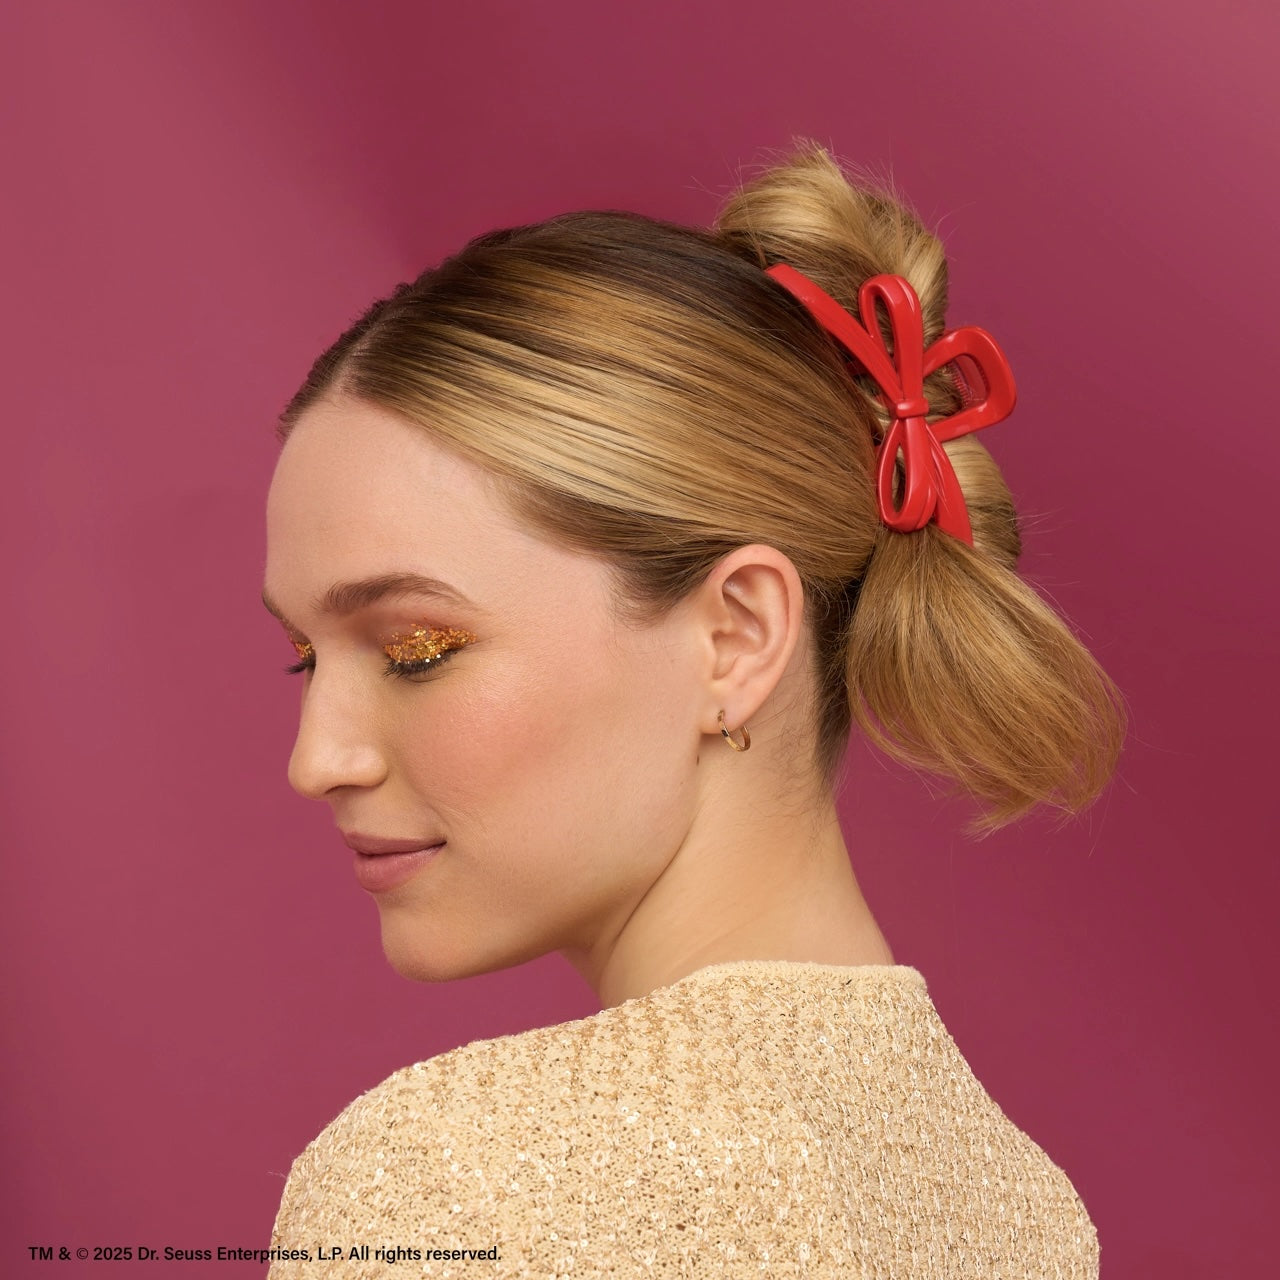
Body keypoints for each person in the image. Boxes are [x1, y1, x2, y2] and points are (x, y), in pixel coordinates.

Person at [261, 140, 1125, 1278]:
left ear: (736, 636)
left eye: (416, 647)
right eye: (303, 660)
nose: (316, 758)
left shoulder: (449, 1178)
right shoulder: (1024, 1212)